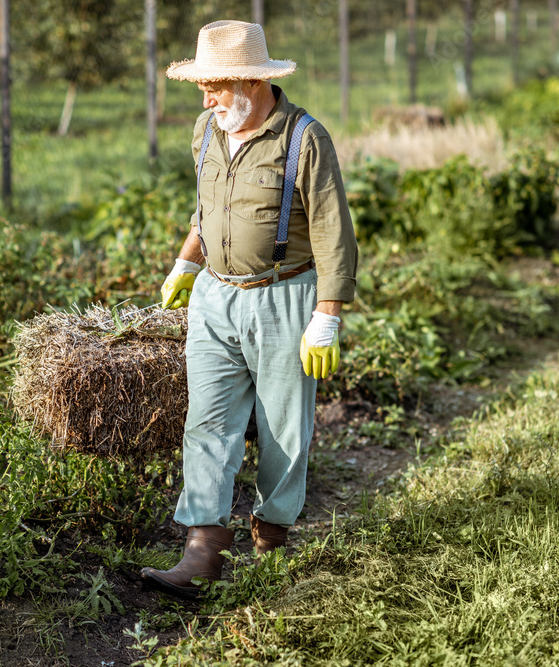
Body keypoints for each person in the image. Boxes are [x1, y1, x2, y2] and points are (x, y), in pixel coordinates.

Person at [140, 19, 358, 599]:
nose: (207, 98)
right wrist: (186, 263)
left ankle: (270, 537)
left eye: (215, 86)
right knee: (206, 422)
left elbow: (335, 234)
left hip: (284, 297)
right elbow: (207, 209)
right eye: (203, 87)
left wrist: (327, 315)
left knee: (285, 425)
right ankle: (203, 552)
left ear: (253, 82)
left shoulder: (305, 139)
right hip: (214, 297)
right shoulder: (206, 130)